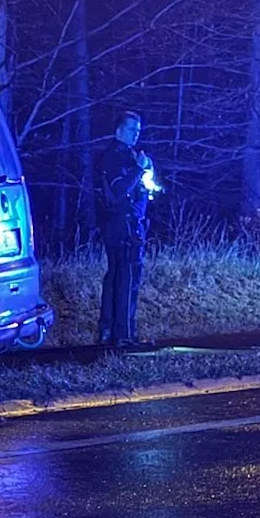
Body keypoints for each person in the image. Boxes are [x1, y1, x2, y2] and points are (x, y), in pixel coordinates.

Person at [95, 111, 155, 348]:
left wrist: (147, 172)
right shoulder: (114, 156)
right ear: (118, 130)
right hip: (124, 225)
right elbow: (120, 190)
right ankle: (125, 336)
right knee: (128, 279)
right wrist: (139, 169)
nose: (136, 134)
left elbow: (150, 188)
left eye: (138, 130)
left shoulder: (127, 156)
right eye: (131, 129)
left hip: (124, 223)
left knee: (116, 277)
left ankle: (108, 331)